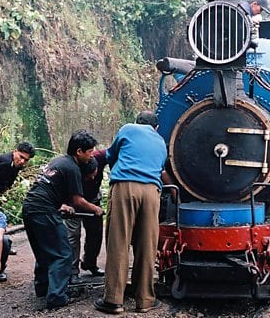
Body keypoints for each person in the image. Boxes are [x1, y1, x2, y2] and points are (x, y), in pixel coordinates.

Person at [94, 111, 167, 314]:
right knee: (147, 245)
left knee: (119, 242)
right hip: (152, 192)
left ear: (137, 122)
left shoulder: (128, 129)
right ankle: (145, 300)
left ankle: (113, 301)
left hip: (126, 187)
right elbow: (161, 167)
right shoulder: (161, 141)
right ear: (156, 128)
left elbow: (110, 155)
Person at [22, 130, 104, 309]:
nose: (91, 155)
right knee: (63, 253)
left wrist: (60, 206)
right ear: (79, 151)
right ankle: (57, 297)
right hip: (43, 210)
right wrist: (96, 209)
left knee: (44, 251)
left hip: (30, 206)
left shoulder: (58, 161)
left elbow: (49, 187)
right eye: (89, 152)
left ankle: (42, 288)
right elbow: (78, 200)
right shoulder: (73, 168)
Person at [66, 149, 108, 284]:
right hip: (73, 201)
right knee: (73, 235)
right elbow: (75, 199)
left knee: (95, 234)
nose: (92, 178)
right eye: (89, 177)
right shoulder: (71, 169)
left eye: (95, 175)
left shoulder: (101, 157)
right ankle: (73, 272)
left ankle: (90, 263)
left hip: (93, 198)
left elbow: (117, 152)